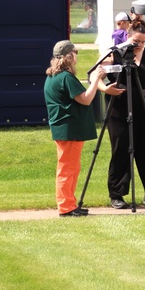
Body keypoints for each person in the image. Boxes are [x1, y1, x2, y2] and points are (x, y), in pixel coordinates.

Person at [100, 20, 145, 209]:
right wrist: (105, 89)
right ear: (128, 37)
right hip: (120, 110)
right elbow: (95, 75)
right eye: (136, 41)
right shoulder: (115, 53)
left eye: (143, 42)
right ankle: (117, 195)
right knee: (121, 150)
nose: (139, 45)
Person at [44, 40, 107, 217]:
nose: (77, 56)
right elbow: (86, 99)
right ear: (69, 56)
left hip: (65, 128)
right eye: (75, 52)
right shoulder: (65, 77)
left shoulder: (53, 76)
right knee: (67, 169)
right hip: (68, 129)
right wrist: (95, 80)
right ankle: (66, 206)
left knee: (70, 168)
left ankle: (70, 204)